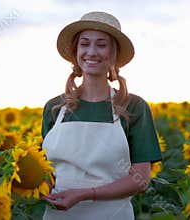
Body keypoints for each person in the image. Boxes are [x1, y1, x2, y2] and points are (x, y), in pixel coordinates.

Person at [41, 11, 162, 220]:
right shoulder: (54, 108)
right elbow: (47, 173)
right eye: (84, 44)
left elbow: (141, 180)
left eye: (101, 44)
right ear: (76, 52)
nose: (92, 51)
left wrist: (85, 194)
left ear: (113, 53)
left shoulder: (133, 107)